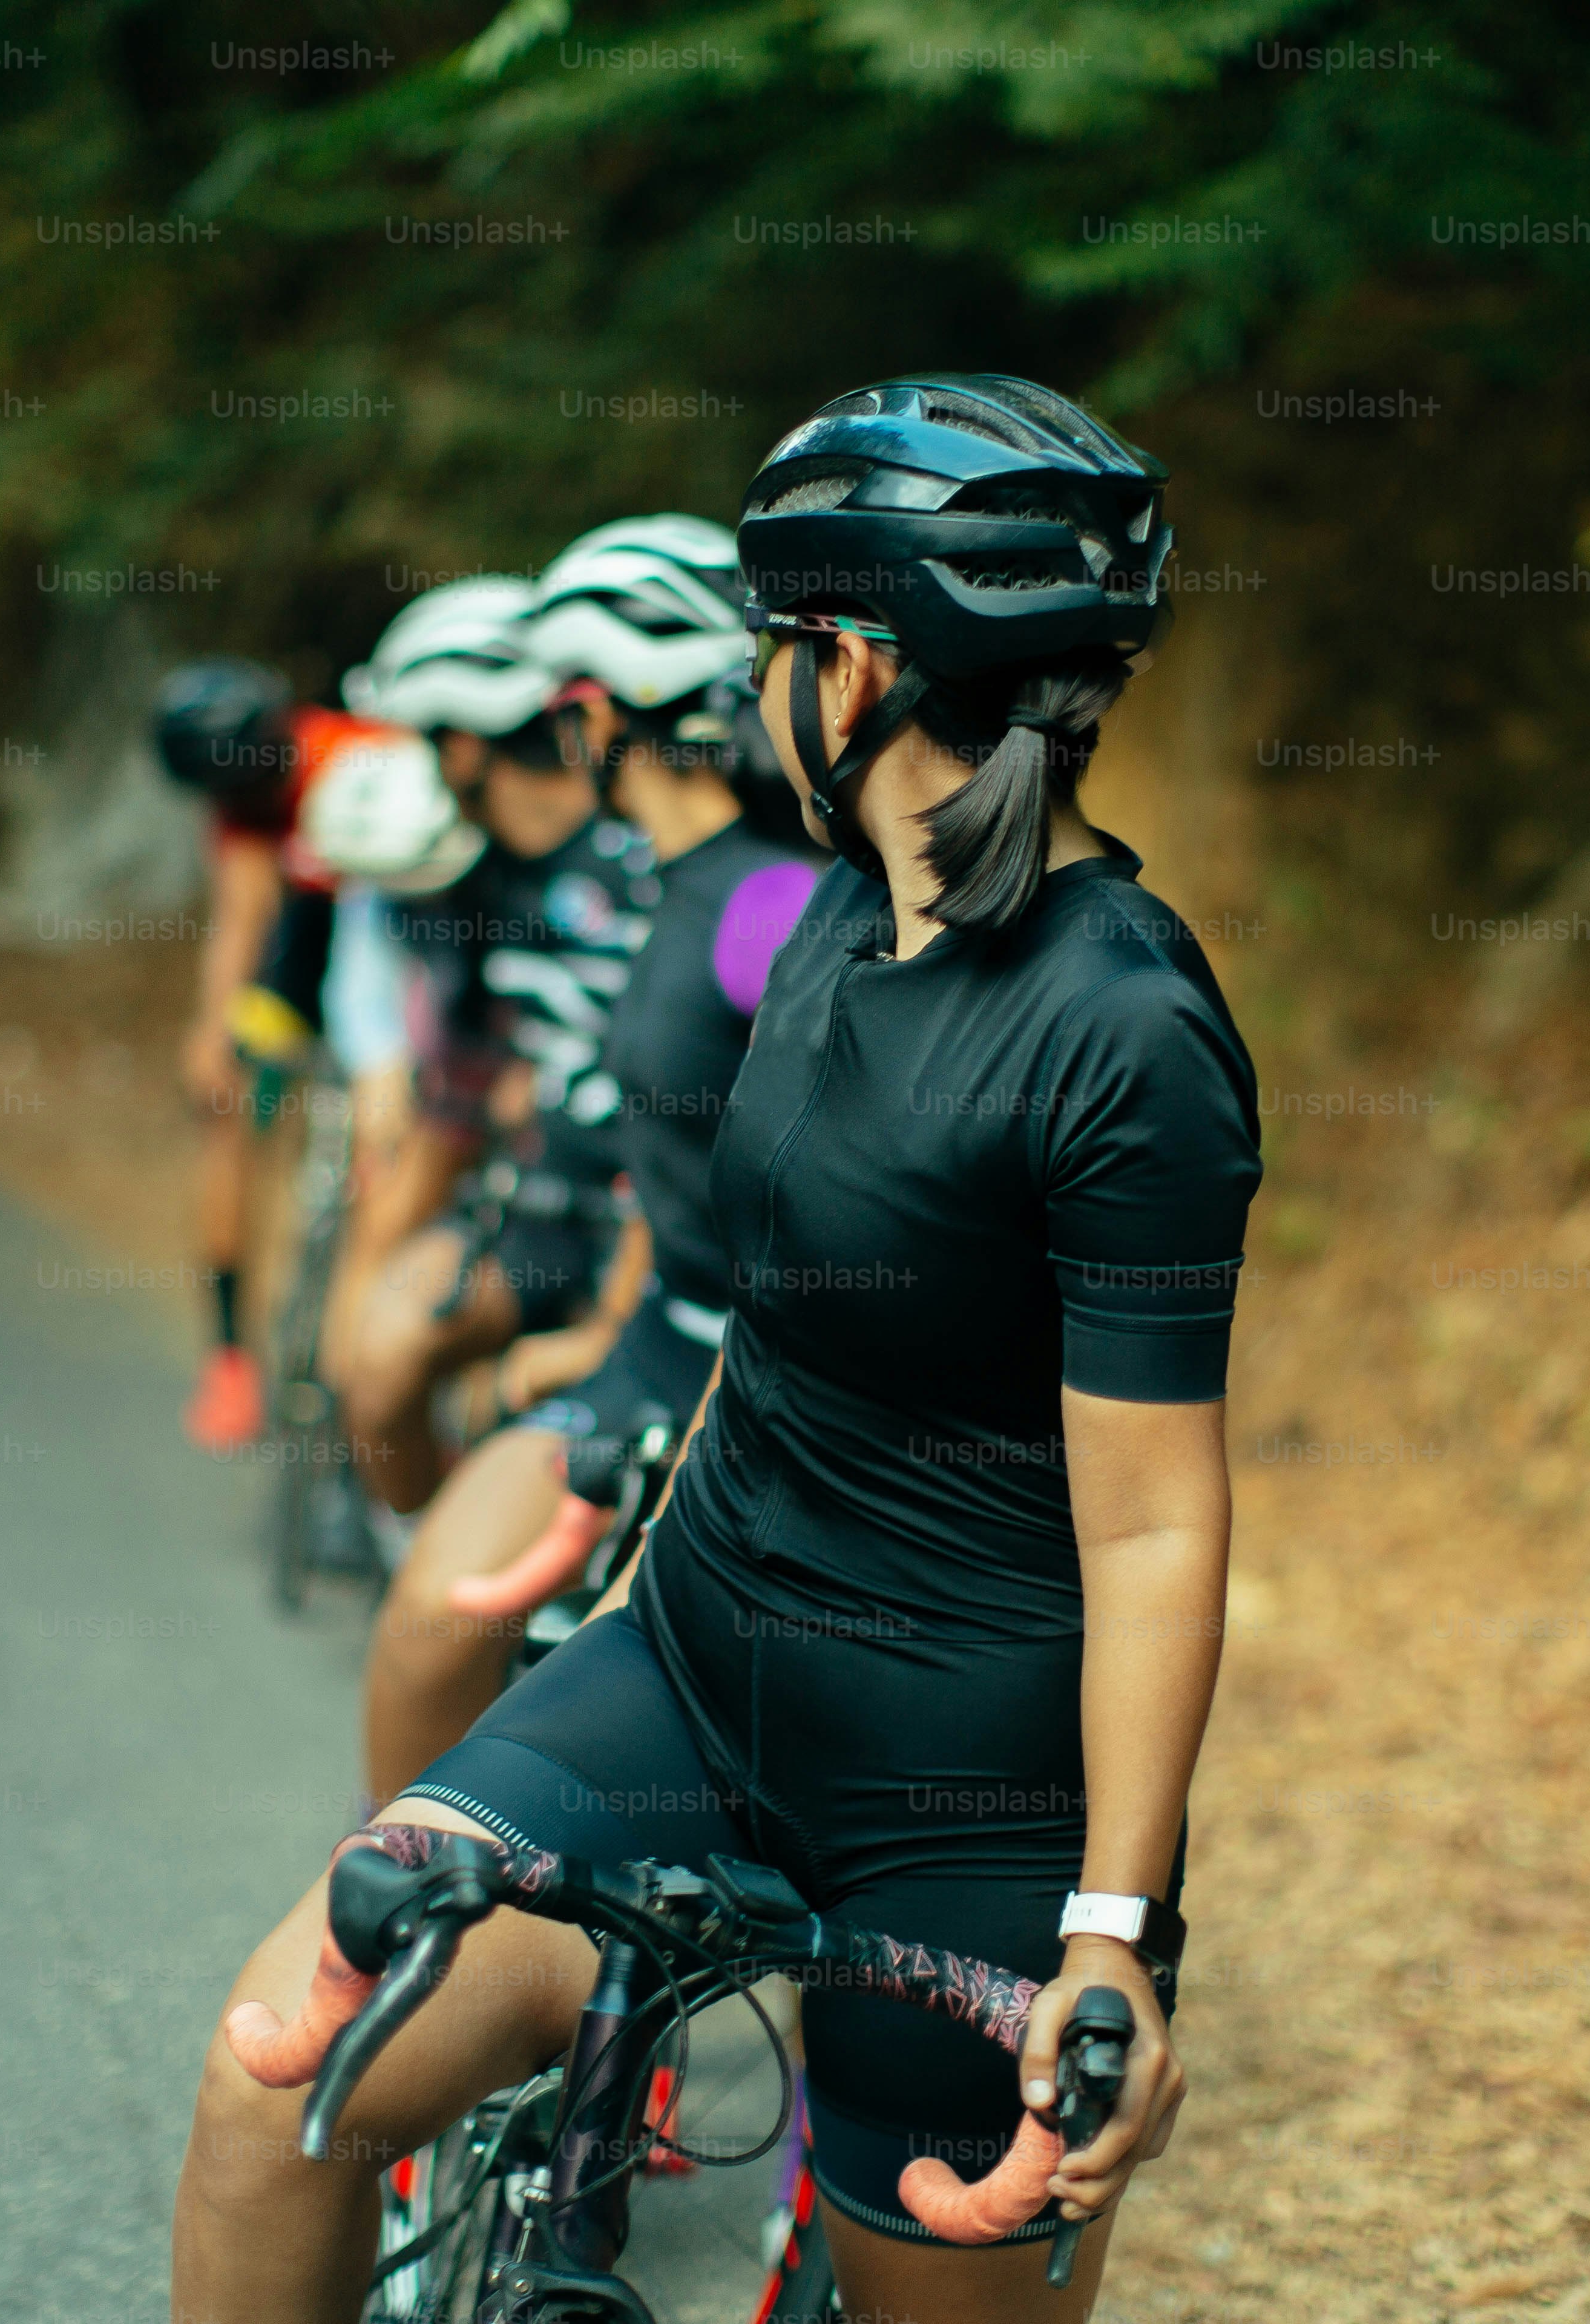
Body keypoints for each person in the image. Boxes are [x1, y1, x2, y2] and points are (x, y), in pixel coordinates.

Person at [177, 374, 1259, 2324]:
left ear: (847, 671)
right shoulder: (841, 919)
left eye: (776, 645)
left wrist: (1114, 1933)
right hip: (681, 1669)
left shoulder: (1129, 1035)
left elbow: (1161, 1527)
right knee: (279, 2076)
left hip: (958, 1800)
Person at [355, 514, 821, 1803]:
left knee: (582, 1720)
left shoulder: (770, 903)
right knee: (424, 1630)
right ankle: (395, 1931)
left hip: (757, 1384)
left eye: (567, 704)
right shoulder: (667, 881)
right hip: (652, 1351)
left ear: (597, 710)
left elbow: (846, 1184)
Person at [332, 583, 659, 1525]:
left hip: (646, 1235)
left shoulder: (639, 855)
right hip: (525, 1219)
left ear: (465, 743)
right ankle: (430, 1557)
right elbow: (464, 1079)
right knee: (380, 1358)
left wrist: (608, 1322)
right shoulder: (466, 878)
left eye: (426, 743)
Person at [162, 661, 455, 1451]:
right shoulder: (241, 798)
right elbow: (245, 909)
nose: (245, 800)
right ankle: (230, 1356)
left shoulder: (349, 749)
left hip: (393, 918)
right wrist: (214, 1030)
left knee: (399, 1113)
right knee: (227, 1109)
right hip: (301, 939)